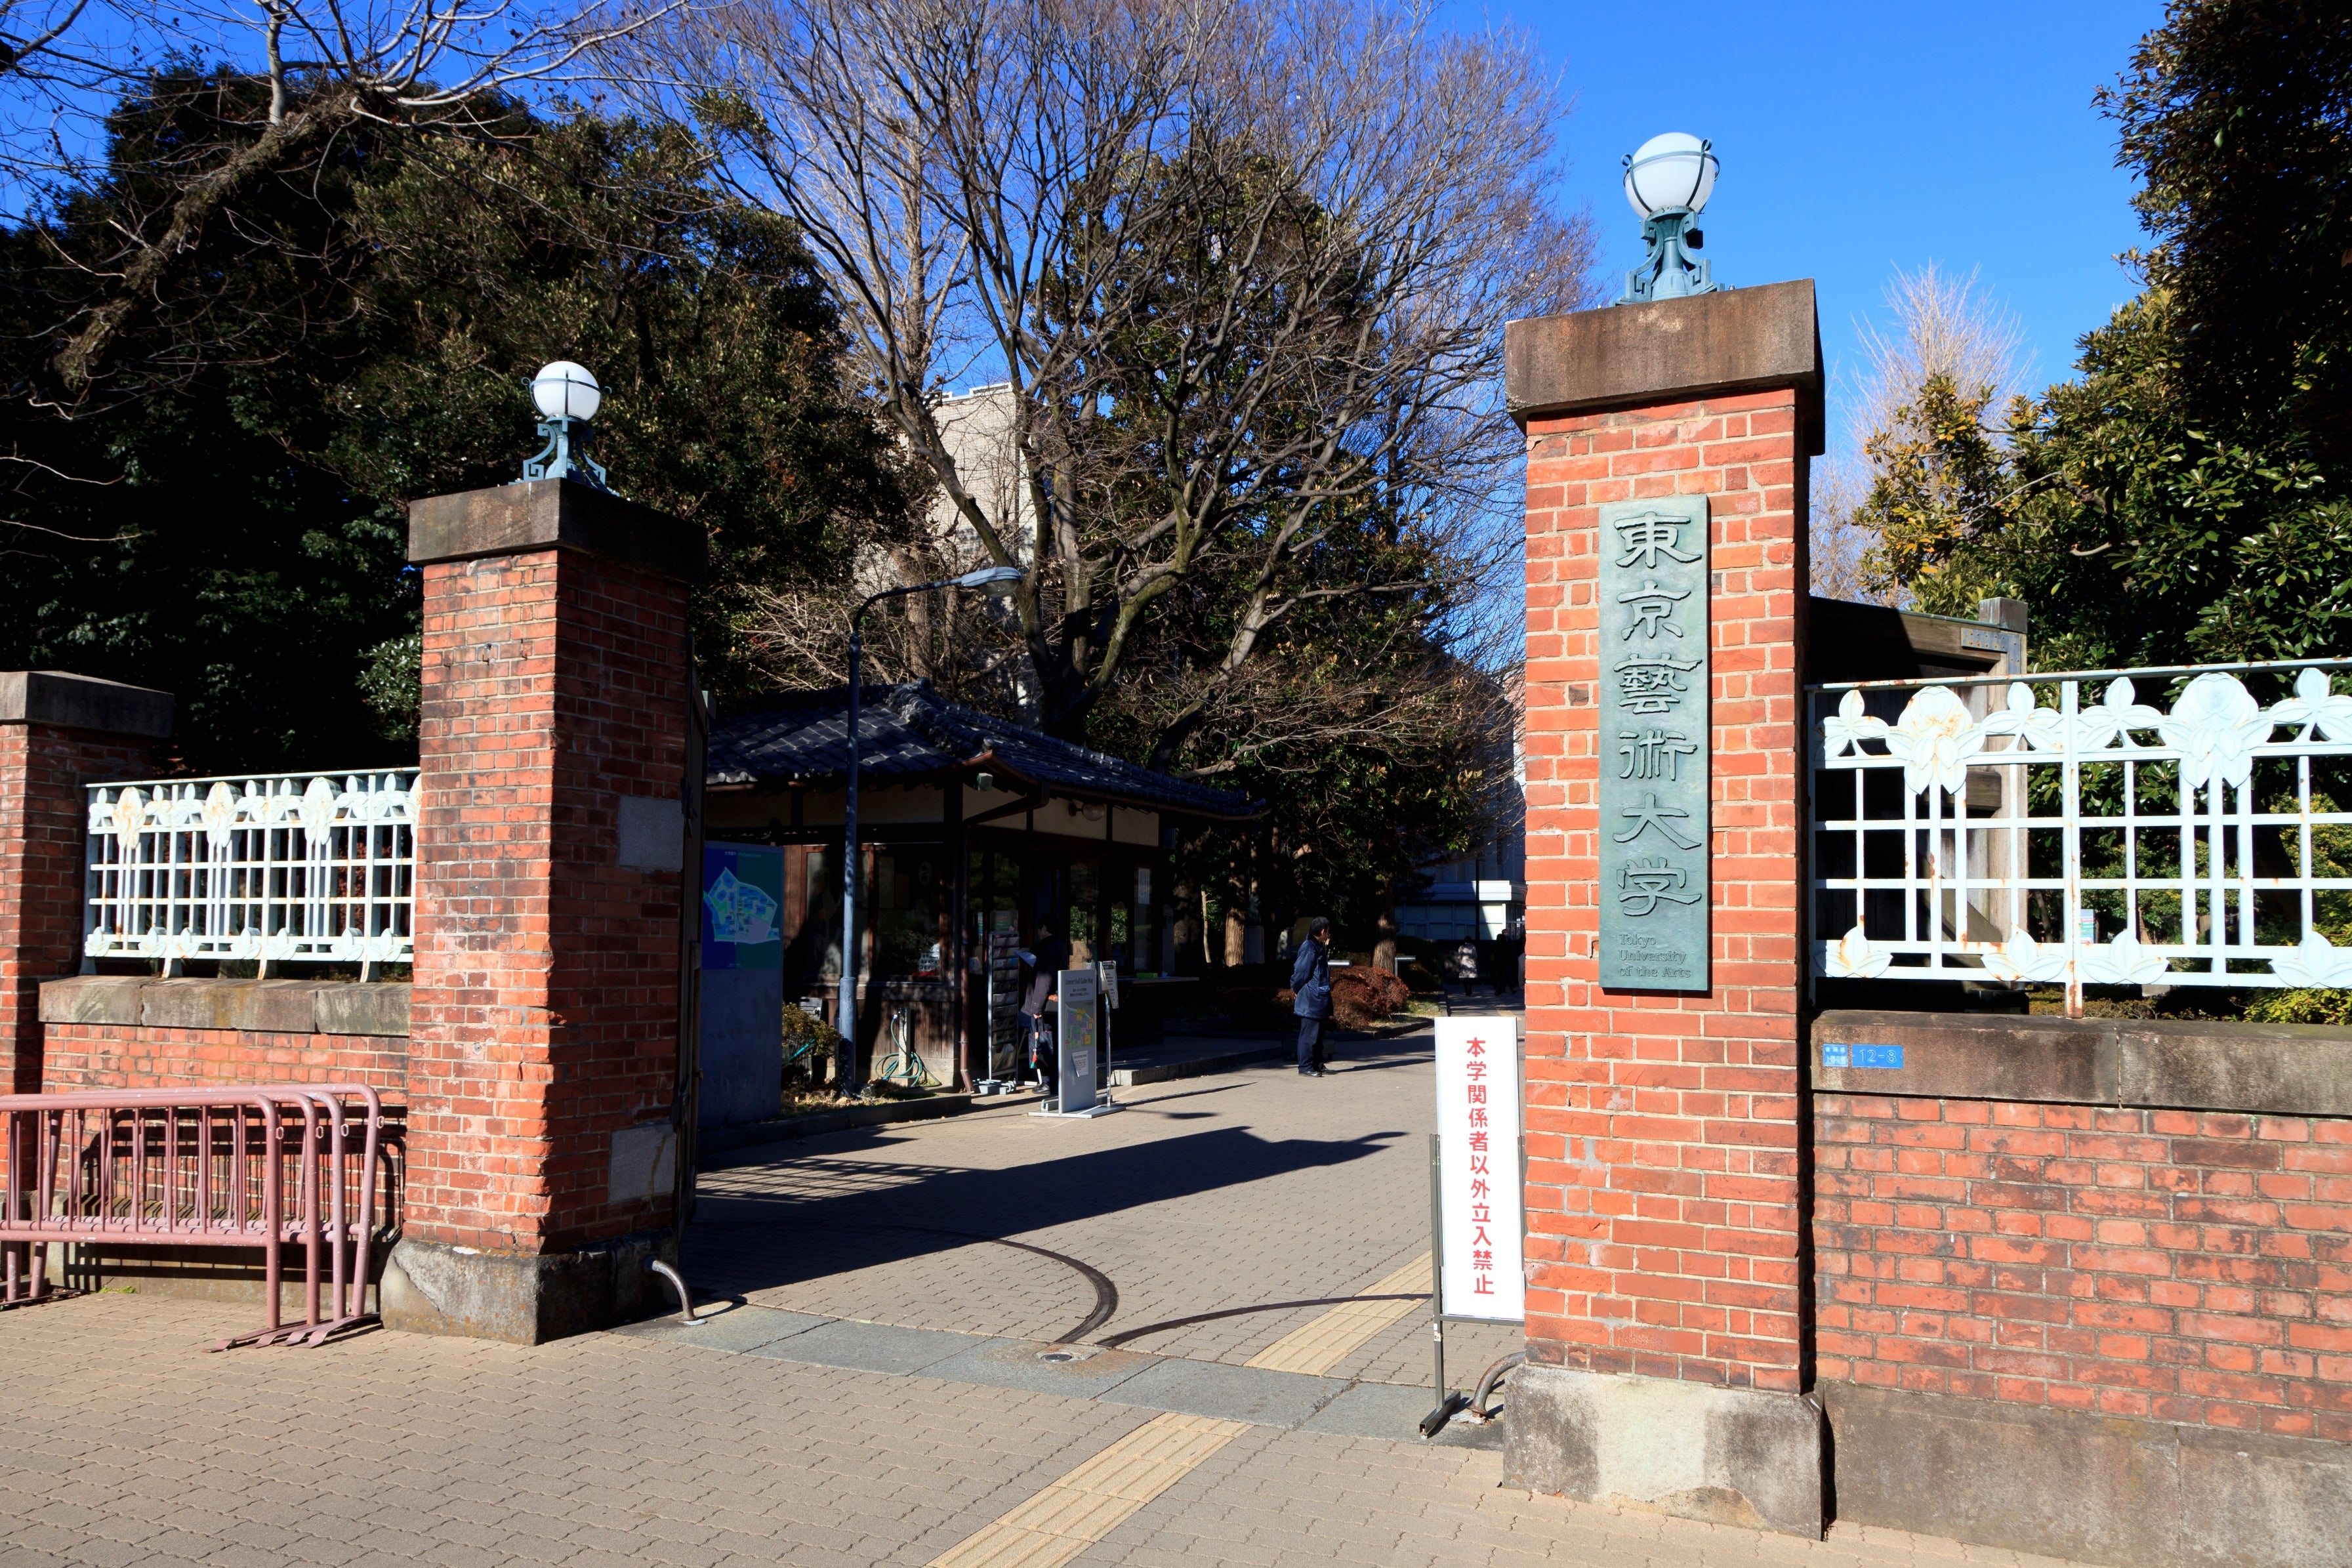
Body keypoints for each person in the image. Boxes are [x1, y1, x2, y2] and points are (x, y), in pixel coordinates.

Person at [1017, 918, 1069, 1093]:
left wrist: (1037, 1007)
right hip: (1055, 1003)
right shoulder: (1059, 945)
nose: (1039, 933)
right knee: (1052, 1040)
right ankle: (1055, 1080)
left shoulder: (1047, 949)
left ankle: (1048, 1082)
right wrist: (1031, 951)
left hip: (1045, 1004)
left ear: (1044, 928)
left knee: (1043, 1041)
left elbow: (1044, 979)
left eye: (1039, 930)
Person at [1290, 916, 1334, 1077]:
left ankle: (1317, 1064)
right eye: (1328, 931)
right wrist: (1295, 987)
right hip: (1311, 998)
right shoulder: (1309, 947)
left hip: (1319, 997)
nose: (1328, 934)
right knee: (1308, 1035)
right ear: (1322, 931)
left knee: (1318, 1034)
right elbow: (1301, 972)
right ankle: (1305, 1067)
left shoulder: (1318, 946)